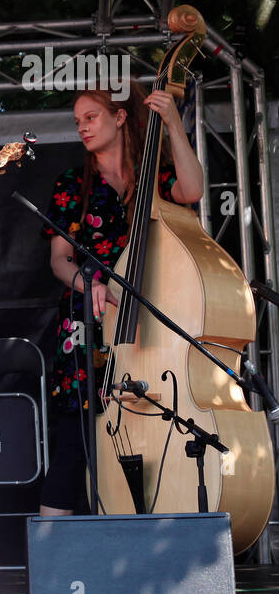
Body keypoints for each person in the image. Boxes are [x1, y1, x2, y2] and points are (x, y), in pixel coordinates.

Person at [38, 86, 203, 516]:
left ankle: (150, 524)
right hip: (87, 320)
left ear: (120, 118)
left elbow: (193, 189)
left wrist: (173, 124)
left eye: (91, 117)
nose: (82, 128)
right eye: (78, 122)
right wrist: (91, 281)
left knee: (152, 421)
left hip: (147, 324)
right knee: (76, 438)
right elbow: (60, 261)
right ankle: (52, 551)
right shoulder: (73, 184)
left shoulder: (153, 176)